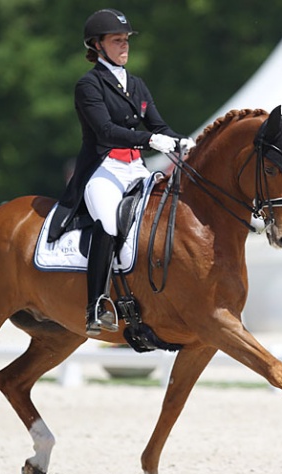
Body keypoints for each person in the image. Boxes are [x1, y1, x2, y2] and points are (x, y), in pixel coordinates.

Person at [48, 8, 195, 336]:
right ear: (97, 45)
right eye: (117, 41)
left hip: (134, 168)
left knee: (161, 216)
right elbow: (105, 131)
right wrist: (149, 139)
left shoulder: (137, 85)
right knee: (110, 221)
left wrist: (183, 142)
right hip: (103, 168)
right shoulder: (88, 85)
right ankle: (96, 304)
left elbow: (158, 124)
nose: (124, 46)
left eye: (126, 40)